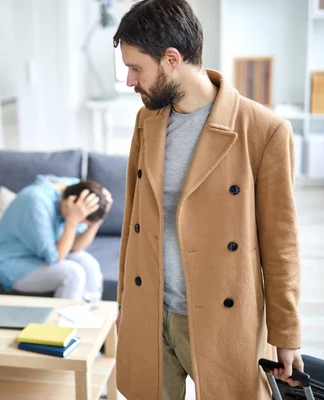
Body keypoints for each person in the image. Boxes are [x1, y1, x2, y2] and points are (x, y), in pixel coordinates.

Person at [112, 1, 304, 399]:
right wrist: (125, 305)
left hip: (223, 320)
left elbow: (281, 245)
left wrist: (286, 334)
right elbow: (134, 219)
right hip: (151, 309)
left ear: (171, 59)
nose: (130, 80)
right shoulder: (147, 121)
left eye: (136, 68)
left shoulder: (264, 131)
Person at [0, 174, 113, 301]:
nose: (80, 224)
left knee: (90, 264)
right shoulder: (36, 202)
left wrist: (98, 221)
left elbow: (75, 247)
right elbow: (55, 257)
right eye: (81, 221)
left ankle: (91, 315)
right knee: (74, 274)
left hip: (45, 252)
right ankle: (63, 320)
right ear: (70, 203)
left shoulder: (78, 191)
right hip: (12, 260)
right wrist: (72, 221)